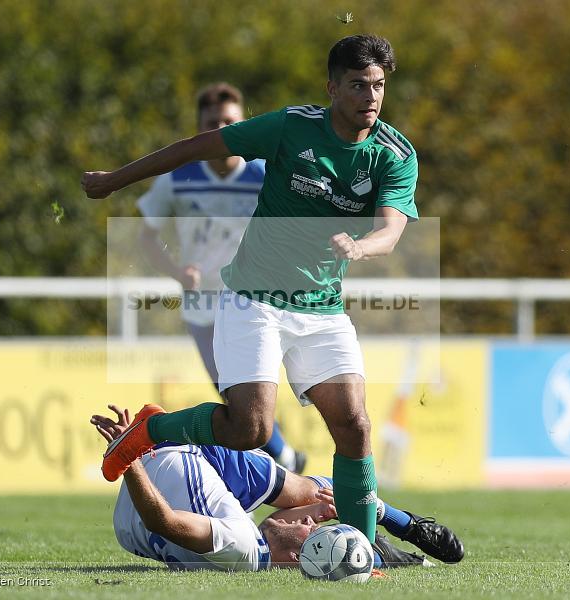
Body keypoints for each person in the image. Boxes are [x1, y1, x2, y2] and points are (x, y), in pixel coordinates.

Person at [83, 35, 418, 543]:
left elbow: (392, 229)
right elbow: (196, 148)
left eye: (378, 86)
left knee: (355, 426)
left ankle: (362, 552)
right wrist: (116, 180)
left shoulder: (393, 154)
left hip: (321, 307)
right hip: (254, 300)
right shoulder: (291, 127)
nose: (370, 97)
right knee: (251, 431)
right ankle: (150, 430)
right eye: (357, 85)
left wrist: (362, 246)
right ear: (332, 88)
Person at [135, 82, 305, 474]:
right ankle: (285, 457)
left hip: (258, 301)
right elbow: (147, 236)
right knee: (234, 396)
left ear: (243, 123)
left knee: (250, 394)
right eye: (213, 123)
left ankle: (284, 460)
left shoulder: (266, 174)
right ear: (200, 127)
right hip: (204, 307)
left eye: (229, 122)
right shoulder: (178, 179)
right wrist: (176, 271)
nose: (222, 130)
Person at [90, 405, 464, 571]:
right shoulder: (249, 545)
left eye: (314, 533)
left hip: (176, 461)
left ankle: (157, 428)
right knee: (327, 496)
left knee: (311, 492)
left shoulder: (241, 545)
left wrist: (131, 458)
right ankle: (406, 526)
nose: (311, 525)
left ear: (301, 556)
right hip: (138, 511)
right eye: (314, 527)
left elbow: (166, 522)